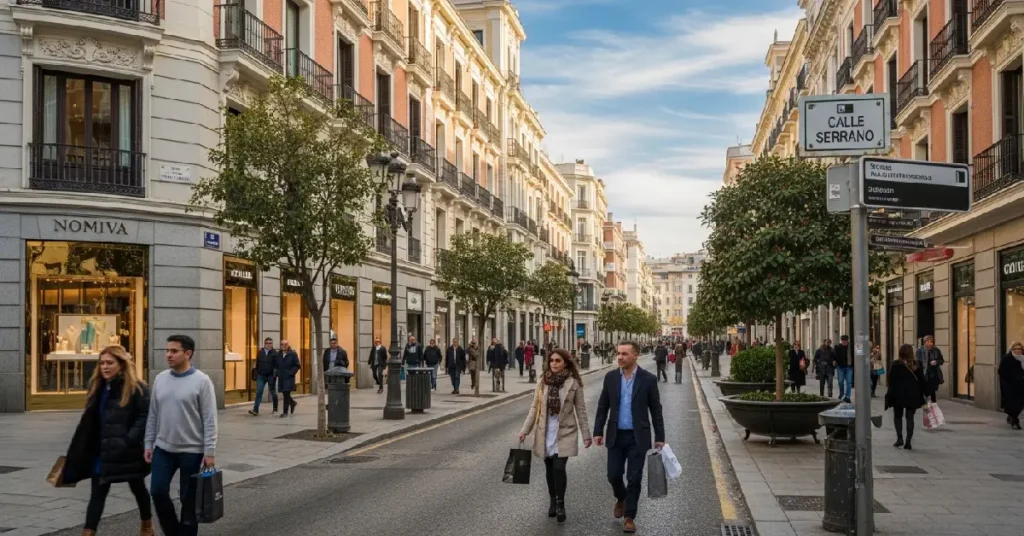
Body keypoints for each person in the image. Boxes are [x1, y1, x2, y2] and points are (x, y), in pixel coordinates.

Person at [63, 346, 153, 536]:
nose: (105, 367)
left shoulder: (137, 388)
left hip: (128, 451)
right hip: (102, 450)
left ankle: (147, 525)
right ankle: (88, 532)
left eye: (110, 363)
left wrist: (129, 440)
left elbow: (144, 416)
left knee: (137, 487)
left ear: (121, 365)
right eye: (102, 363)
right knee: (98, 492)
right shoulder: (98, 386)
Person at [145, 335, 217, 536]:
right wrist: (148, 444)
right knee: (157, 491)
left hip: (192, 451)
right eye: (167, 350)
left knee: (189, 500)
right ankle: (173, 532)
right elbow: (153, 414)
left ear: (188, 353)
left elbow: (210, 419)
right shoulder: (160, 379)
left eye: (174, 351)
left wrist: (209, 451)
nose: (168, 355)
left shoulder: (202, 381)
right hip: (163, 448)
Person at [593, 341, 665, 534]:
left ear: (635, 356)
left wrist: (660, 436)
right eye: (618, 353)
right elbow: (603, 406)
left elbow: (656, 410)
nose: (620, 357)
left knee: (634, 478)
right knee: (613, 475)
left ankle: (629, 517)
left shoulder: (648, 379)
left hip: (637, 436)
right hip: (616, 436)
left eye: (624, 354)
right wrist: (598, 431)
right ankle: (621, 498)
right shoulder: (610, 378)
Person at [517, 348, 592, 523]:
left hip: (565, 431)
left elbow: (580, 410)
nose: (554, 364)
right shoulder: (543, 382)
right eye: (551, 361)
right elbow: (534, 408)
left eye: (558, 361)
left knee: (559, 468)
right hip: (545, 432)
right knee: (549, 469)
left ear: (565, 363)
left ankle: (560, 503)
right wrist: (524, 431)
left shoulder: (573, 383)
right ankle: (552, 500)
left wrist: (586, 435)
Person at [885, 344, 927, 450]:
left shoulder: (895, 364)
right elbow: (922, 381)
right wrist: (926, 393)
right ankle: (908, 441)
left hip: (898, 394)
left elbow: (890, 380)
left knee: (898, 416)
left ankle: (899, 439)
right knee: (910, 417)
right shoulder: (917, 364)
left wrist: (889, 393)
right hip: (912, 395)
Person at [249, 338, 279, 416]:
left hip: (271, 376)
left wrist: (275, 374)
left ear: (272, 344)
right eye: (267, 343)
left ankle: (275, 408)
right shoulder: (260, 352)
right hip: (261, 375)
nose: (268, 344)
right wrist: (257, 371)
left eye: (270, 343)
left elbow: (277, 365)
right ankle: (255, 409)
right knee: (259, 392)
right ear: (264, 344)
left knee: (273, 392)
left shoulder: (275, 353)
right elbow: (257, 363)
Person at [998, 341, 1024, 430]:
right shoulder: (1007, 359)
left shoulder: (1023, 359)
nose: (1018, 351)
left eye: (1019, 349)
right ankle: (1015, 421)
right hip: (1009, 385)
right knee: (1012, 404)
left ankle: (1011, 416)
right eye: (1015, 349)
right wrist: (1012, 378)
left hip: (1021, 385)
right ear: (1012, 349)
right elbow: (1001, 371)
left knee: (1020, 404)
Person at [916, 335, 944, 403]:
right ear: (924, 342)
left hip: (933, 374)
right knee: (925, 391)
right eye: (928, 342)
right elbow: (916, 363)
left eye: (931, 342)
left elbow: (941, 361)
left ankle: (933, 405)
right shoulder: (919, 351)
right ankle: (925, 404)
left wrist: (936, 362)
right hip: (923, 374)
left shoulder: (936, 350)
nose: (930, 343)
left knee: (932, 391)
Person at [276, 340, 300, 418]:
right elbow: (276, 365)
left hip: (289, 377)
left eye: (286, 344)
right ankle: (292, 403)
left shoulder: (292, 354)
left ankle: (285, 412)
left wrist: (291, 372)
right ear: (280, 346)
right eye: (282, 344)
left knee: (286, 393)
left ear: (288, 345)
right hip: (281, 377)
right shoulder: (278, 354)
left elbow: (297, 365)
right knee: (284, 393)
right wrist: (276, 372)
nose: (284, 345)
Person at [833, 335, 853, 402]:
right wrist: (834, 361)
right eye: (843, 340)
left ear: (847, 340)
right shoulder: (837, 347)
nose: (844, 342)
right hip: (840, 367)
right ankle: (841, 394)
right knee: (840, 382)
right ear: (841, 340)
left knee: (849, 382)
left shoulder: (851, 347)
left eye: (845, 340)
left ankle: (847, 396)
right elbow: (834, 356)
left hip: (849, 367)